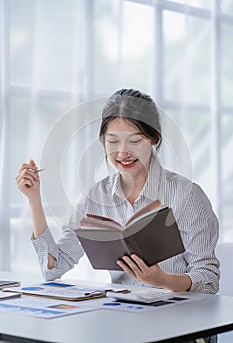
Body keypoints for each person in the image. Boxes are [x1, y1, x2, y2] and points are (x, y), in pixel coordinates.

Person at [16, 88, 220, 294]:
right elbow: (53, 269)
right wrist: (34, 200)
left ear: (154, 139)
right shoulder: (96, 198)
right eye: (113, 141)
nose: (123, 152)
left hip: (177, 314)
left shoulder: (187, 195)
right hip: (122, 312)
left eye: (135, 141)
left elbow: (209, 280)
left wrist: (162, 279)